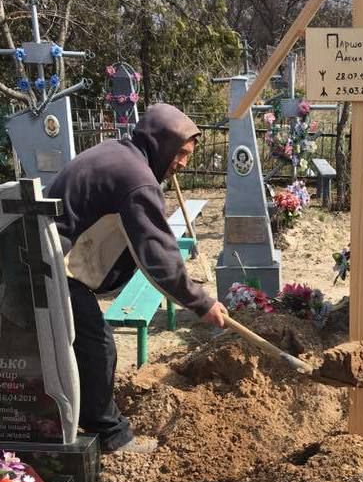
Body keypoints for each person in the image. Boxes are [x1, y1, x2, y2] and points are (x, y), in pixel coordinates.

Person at [48, 104, 228, 453]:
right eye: (181, 153)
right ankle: (109, 436)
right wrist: (201, 302)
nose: (183, 163)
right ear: (162, 143)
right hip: (51, 266)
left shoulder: (121, 155)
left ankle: (82, 419)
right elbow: (158, 255)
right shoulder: (137, 179)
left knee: (89, 345)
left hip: (47, 258)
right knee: (97, 345)